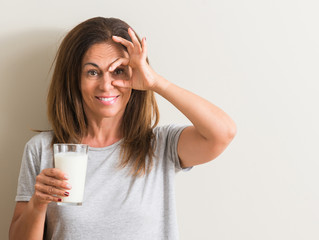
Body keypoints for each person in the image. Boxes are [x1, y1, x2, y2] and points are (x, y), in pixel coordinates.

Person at [9, 17, 236, 240]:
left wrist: (155, 82)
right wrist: (38, 204)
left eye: (118, 71)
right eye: (93, 72)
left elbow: (223, 132)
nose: (106, 85)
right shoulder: (44, 150)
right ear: (74, 79)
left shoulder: (160, 145)